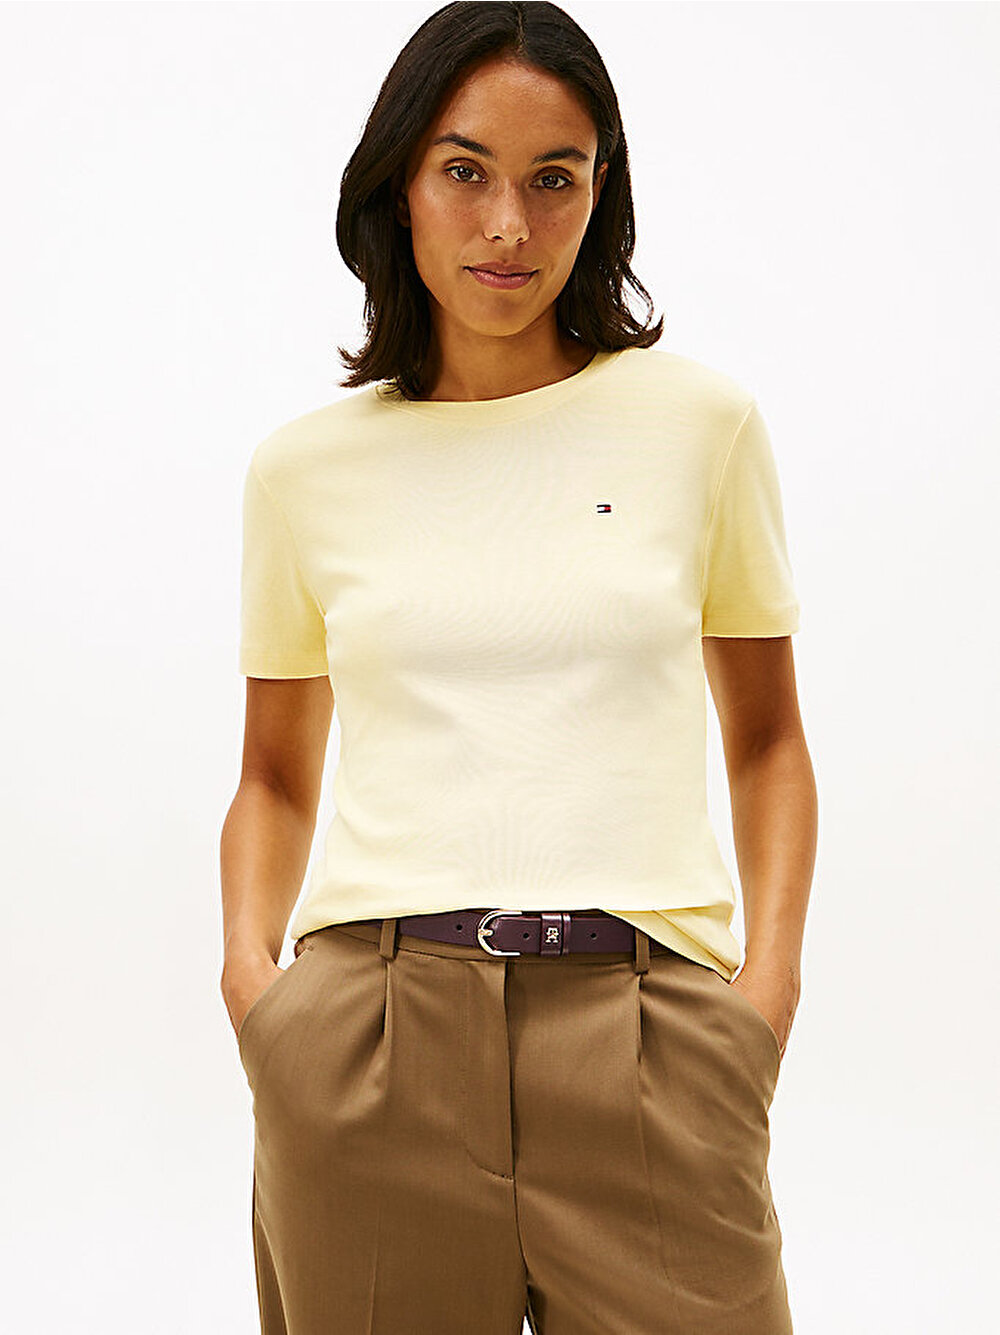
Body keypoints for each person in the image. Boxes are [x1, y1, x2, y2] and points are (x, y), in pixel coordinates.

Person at [219, 3, 818, 1332]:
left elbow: (770, 743)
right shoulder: (304, 471)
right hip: (370, 1049)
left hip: (652, 1040)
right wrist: (258, 996)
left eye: (555, 179)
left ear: (602, 195)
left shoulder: (700, 427)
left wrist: (762, 1004)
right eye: (465, 170)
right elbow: (272, 776)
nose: (508, 226)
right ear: (399, 183)